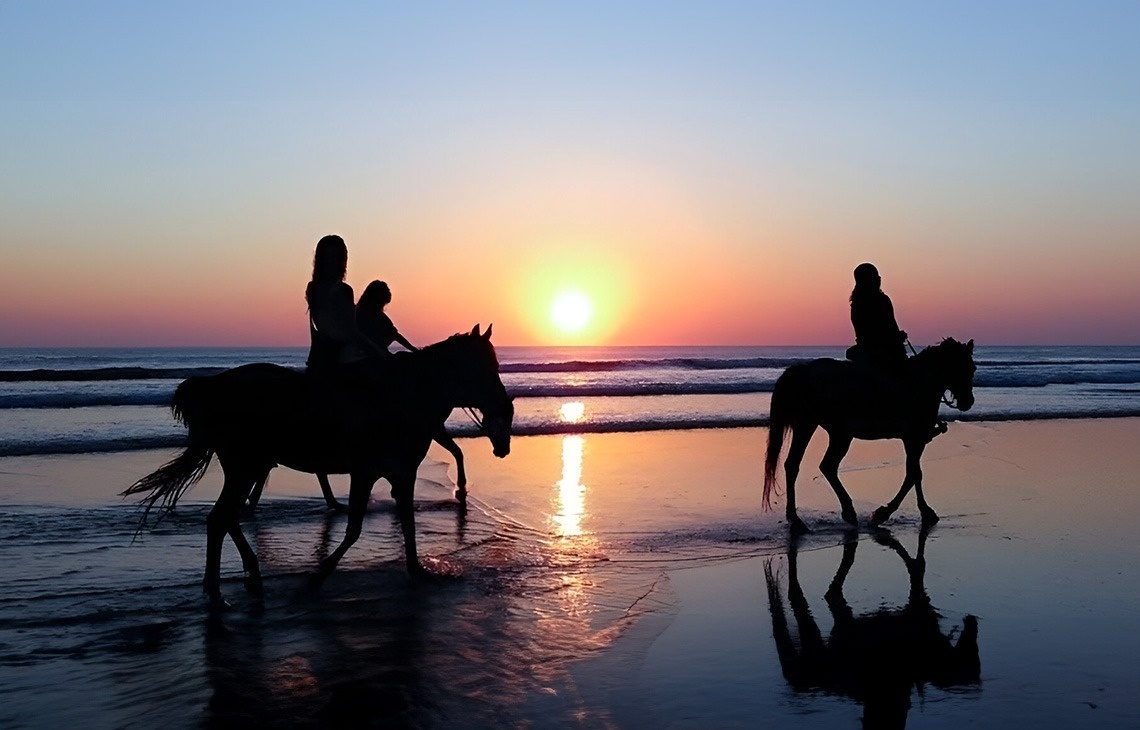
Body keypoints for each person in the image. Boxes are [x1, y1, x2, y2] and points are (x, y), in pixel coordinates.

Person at [846, 262, 908, 372]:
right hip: (882, 353)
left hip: (865, 351)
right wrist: (899, 337)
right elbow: (888, 328)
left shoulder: (856, 303)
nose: (879, 279)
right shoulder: (882, 300)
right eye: (875, 277)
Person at [356, 280, 418, 355]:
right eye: (386, 290)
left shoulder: (380, 316)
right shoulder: (364, 313)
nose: (389, 292)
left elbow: (395, 335)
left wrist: (413, 349)